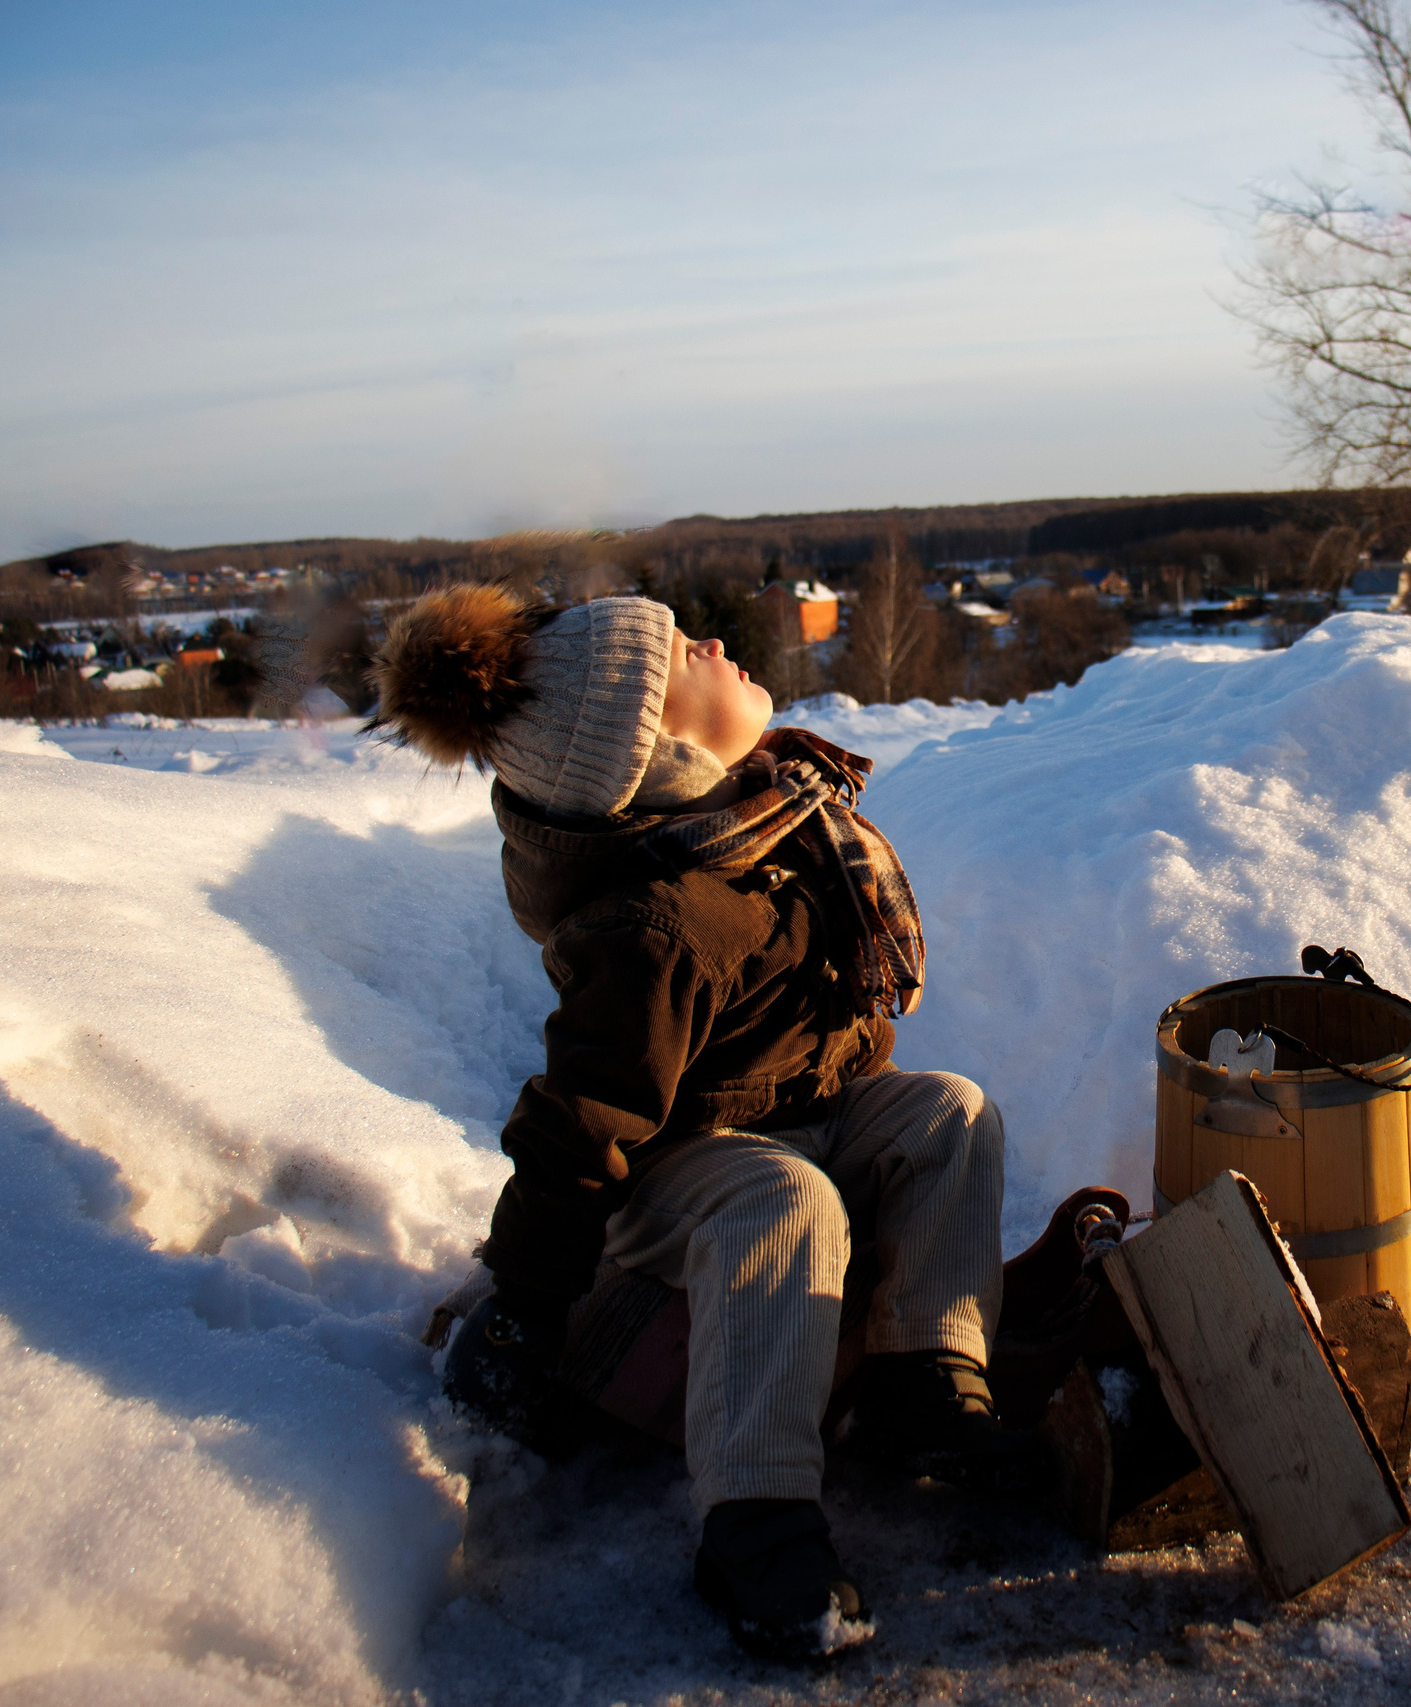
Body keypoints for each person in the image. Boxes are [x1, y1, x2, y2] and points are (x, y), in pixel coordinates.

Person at [372, 584, 1025, 1661]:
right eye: (685, 652)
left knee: (946, 1112)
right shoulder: (658, 922)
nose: (715, 641)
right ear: (659, 744)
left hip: (791, 1117)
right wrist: (525, 1304)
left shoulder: (765, 817)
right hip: (672, 1183)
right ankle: (753, 1517)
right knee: (784, 1200)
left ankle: (924, 1376)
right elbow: (581, 1124)